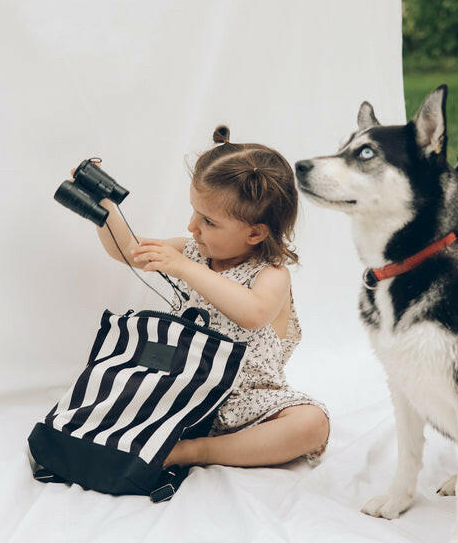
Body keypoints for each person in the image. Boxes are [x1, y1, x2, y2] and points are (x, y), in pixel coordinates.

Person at [79, 127, 330, 471]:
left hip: (247, 401)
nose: (192, 227)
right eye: (195, 212)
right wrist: (102, 207)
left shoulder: (271, 274)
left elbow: (254, 313)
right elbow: (129, 251)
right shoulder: (192, 252)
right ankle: (157, 432)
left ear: (255, 233)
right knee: (116, 377)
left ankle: (196, 451)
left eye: (208, 221)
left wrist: (184, 267)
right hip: (186, 388)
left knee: (312, 424)